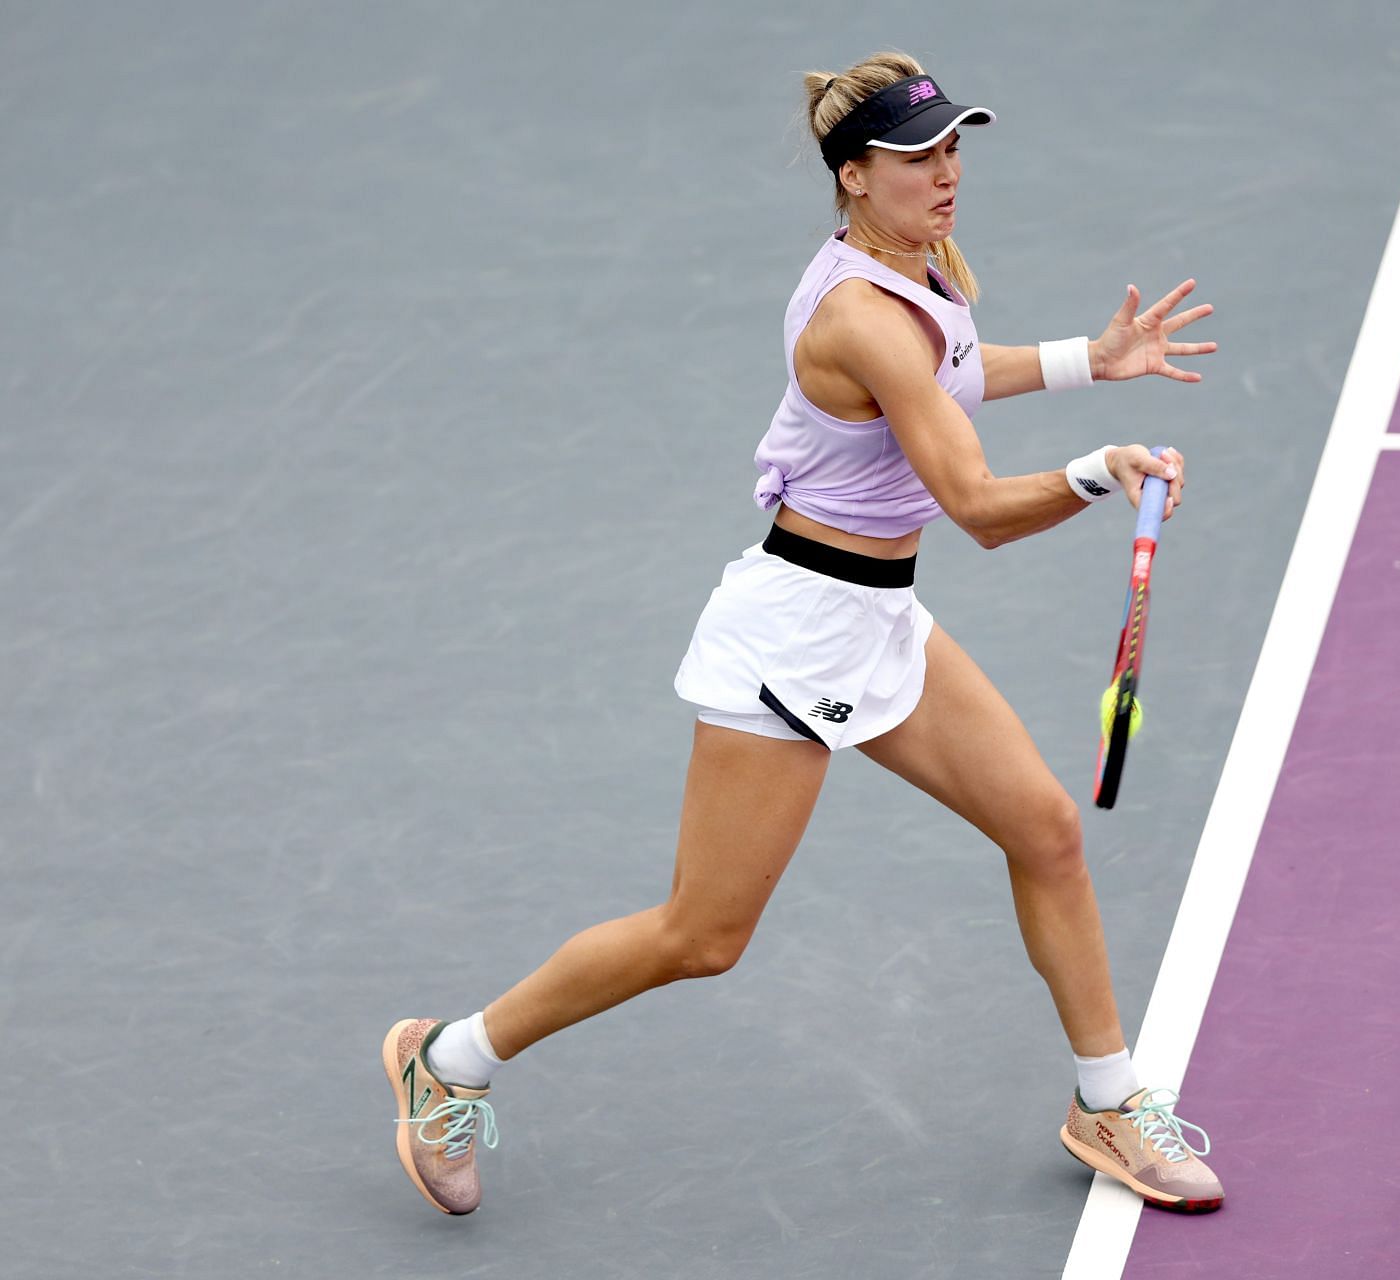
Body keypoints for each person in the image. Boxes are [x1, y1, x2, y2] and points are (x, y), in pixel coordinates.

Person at [382, 50, 1224, 1219]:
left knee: (1042, 827)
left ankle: (1108, 1097)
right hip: (790, 637)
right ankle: (451, 1059)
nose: (946, 174)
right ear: (852, 174)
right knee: (701, 932)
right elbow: (977, 507)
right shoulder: (861, 316)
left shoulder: (918, 274)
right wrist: (1096, 471)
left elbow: (958, 374)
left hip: (878, 614)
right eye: (915, 157)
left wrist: (1096, 358)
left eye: (953, 147)